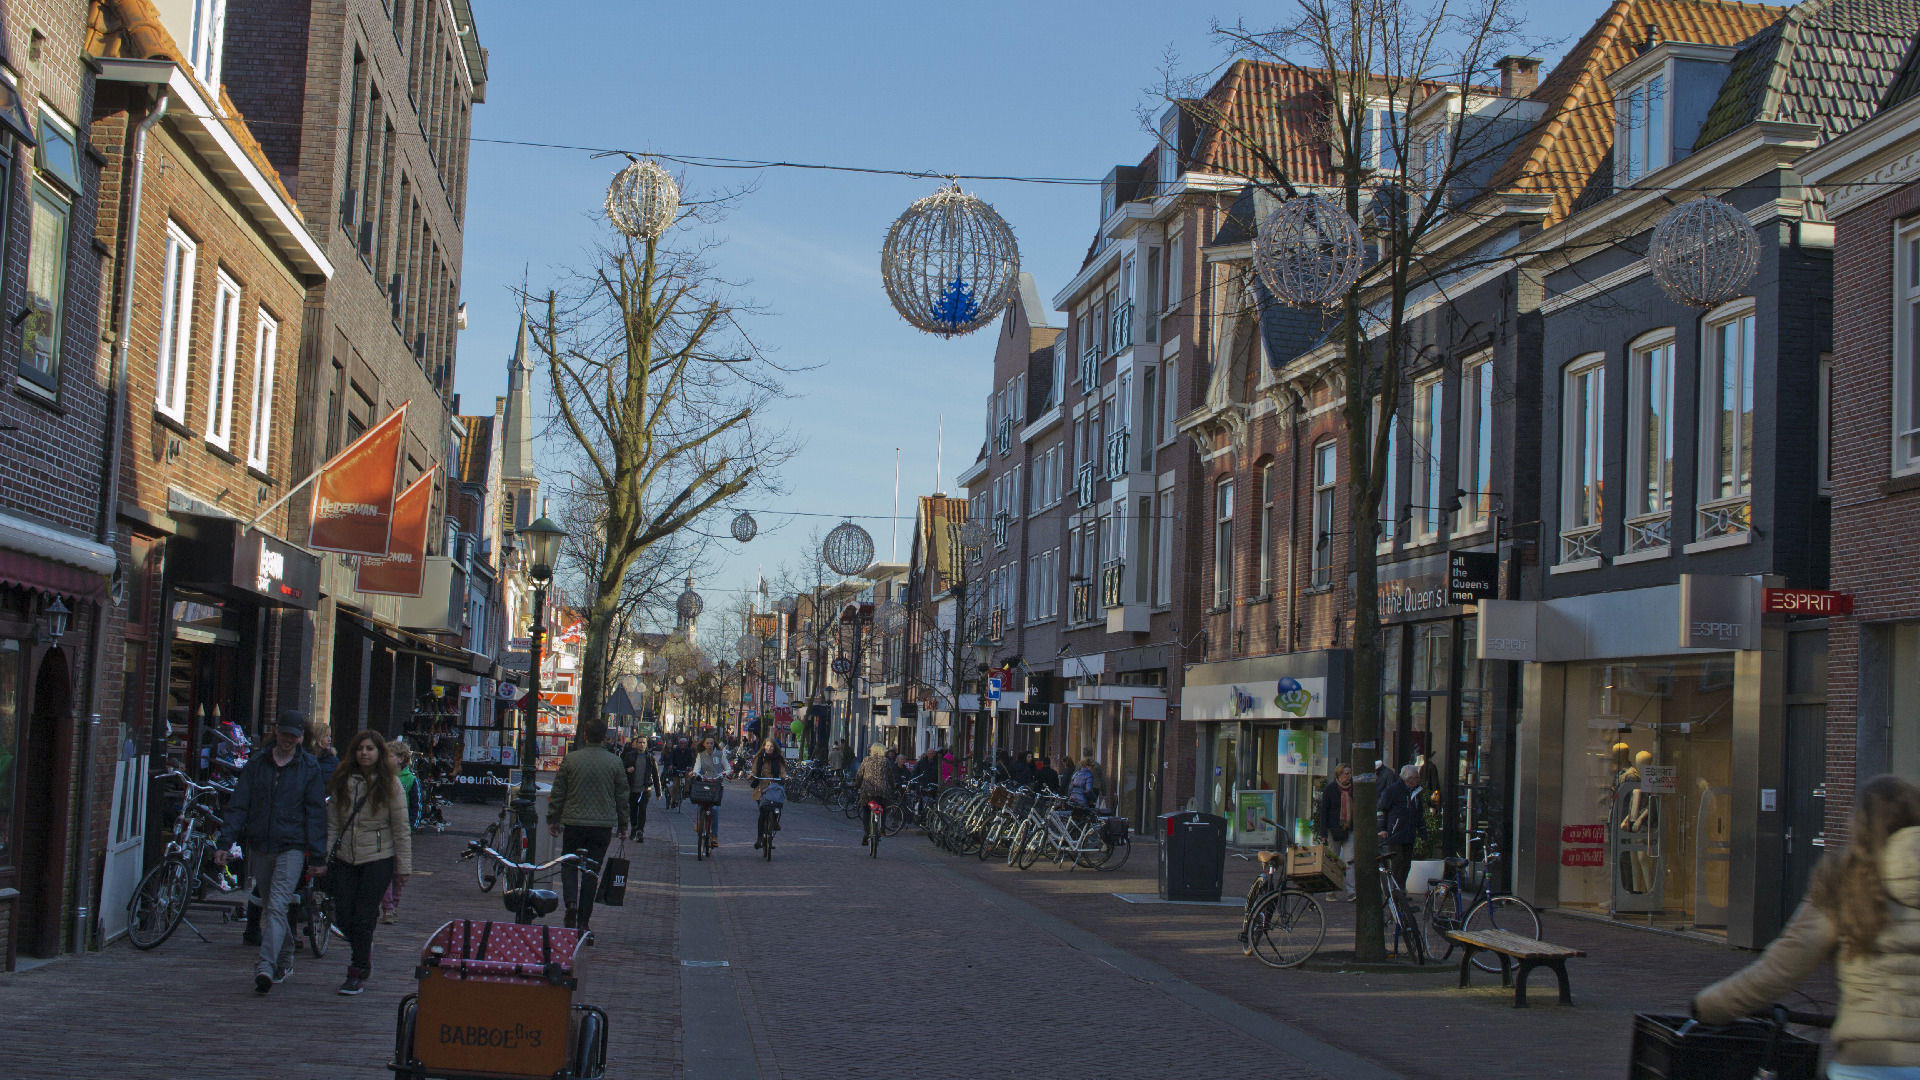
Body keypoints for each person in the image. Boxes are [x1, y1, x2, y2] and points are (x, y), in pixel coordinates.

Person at [1693, 775, 1920, 1079]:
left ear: (1861, 823)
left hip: (1868, 1063)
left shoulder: (1846, 881)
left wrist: (1709, 1006)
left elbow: (1779, 970)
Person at [214, 710, 327, 995]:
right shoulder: (256, 763)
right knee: (270, 905)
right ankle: (286, 955)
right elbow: (239, 804)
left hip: (292, 846)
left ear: (302, 737)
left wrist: (317, 855)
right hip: (260, 845)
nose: (289, 739)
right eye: (285, 733)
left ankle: (264, 966)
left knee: (277, 906)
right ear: (276, 732)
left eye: (294, 735)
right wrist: (225, 842)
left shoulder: (310, 768)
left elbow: (315, 812)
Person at [326, 730, 411, 995]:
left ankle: (357, 970)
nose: (364, 753)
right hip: (345, 857)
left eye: (370, 749)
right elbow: (332, 824)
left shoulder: (390, 785)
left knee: (363, 917)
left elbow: (401, 828)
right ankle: (363, 944)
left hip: (377, 857)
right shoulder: (341, 780)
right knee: (343, 915)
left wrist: (403, 867)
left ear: (379, 754)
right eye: (360, 748)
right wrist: (323, 856)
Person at [547, 717, 628, 934]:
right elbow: (622, 796)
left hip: (574, 822)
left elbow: (558, 791)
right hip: (602, 826)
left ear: (584, 735)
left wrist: (554, 818)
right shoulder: (615, 762)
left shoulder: (571, 759)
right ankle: (583, 921)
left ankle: (571, 904)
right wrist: (623, 825)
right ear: (605, 737)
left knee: (569, 864)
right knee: (592, 871)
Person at [1377, 763, 1425, 892]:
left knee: (1406, 863)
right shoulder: (1393, 790)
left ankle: (1400, 888)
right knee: (1397, 862)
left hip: (1409, 833)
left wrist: (1422, 830)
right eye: (1416, 777)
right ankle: (1397, 890)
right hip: (1396, 832)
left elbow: (1419, 813)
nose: (1418, 779)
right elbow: (1381, 808)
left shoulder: (1416, 792)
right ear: (1408, 778)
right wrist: (1382, 828)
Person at [1317, 764, 1357, 901]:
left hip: (1349, 830)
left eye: (1350, 773)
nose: (1349, 776)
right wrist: (1323, 834)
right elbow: (1323, 813)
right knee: (1333, 861)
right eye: (1347, 774)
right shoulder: (1330, 790)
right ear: (1339, 775)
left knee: (1350, 861)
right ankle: (1330, 890)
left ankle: (1351, 891)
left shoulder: (1354, 790)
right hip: (1333, 830)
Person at [623, 734, 662, 842]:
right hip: (632, 788)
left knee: (643, 811)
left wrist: (658, 792)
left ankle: (640, 831)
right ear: (635, 744)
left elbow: (655, 774)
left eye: (643, 742)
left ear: (646, 744)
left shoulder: (650, 757)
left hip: (645, 789)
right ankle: (634, 828)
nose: (641, 744)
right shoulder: (630, 756)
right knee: (633, 811)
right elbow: (621, 768)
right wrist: (627, 769)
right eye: (639, 742)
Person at [856, 743, 896, 845]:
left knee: (866, 810)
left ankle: (866, 831)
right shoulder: (885, 761)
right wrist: (893, 786)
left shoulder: (866, 760)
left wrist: (856, 785)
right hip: (882, 791)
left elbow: (860, 774)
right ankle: (882, 828)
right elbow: (890, 776)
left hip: (867, 791)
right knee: (883, 806)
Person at [751, 738, 787, 850]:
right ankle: (760, 838)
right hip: (761, 787)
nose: (769, 748)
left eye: (771, 746)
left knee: (776, 807)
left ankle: (774, 823)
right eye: (767, 746)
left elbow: (782, 771)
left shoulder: (778, 759)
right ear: (764, 746)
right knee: (762, 812)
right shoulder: (759, 758)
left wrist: (785, 777)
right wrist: (752, 775)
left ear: (774, 747)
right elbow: (754, 770)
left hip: (774, 787)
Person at [692, 735, 729, 844]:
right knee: (701, 804)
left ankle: (714, 835)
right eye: (707, 743)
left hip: (716, 785)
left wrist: (723, 774)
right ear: (703, 744)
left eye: (711, 743)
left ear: (714, 745)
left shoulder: (720, 754)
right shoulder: (700, 755)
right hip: (704, 783)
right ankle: (700, 823)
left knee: (715, 809)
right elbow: (697, 768)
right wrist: (695, 774)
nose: (709, 745)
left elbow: (728, 768)